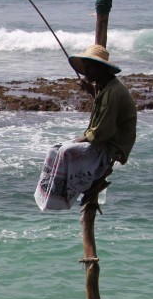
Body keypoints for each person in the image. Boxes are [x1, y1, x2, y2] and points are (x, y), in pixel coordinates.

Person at [34, 44, 137, 211]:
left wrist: (83, 137)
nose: (86, 73)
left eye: (90, 69)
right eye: (85, 69)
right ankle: (51, 197)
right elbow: (101, 111)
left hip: (113, 145)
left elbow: (103, 131)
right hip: (104, 138)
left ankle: (78, 189)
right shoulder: (106, 87)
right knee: (53, 151)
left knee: (66, 152)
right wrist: (91, 90)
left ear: (102, 69)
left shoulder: (113, 93)